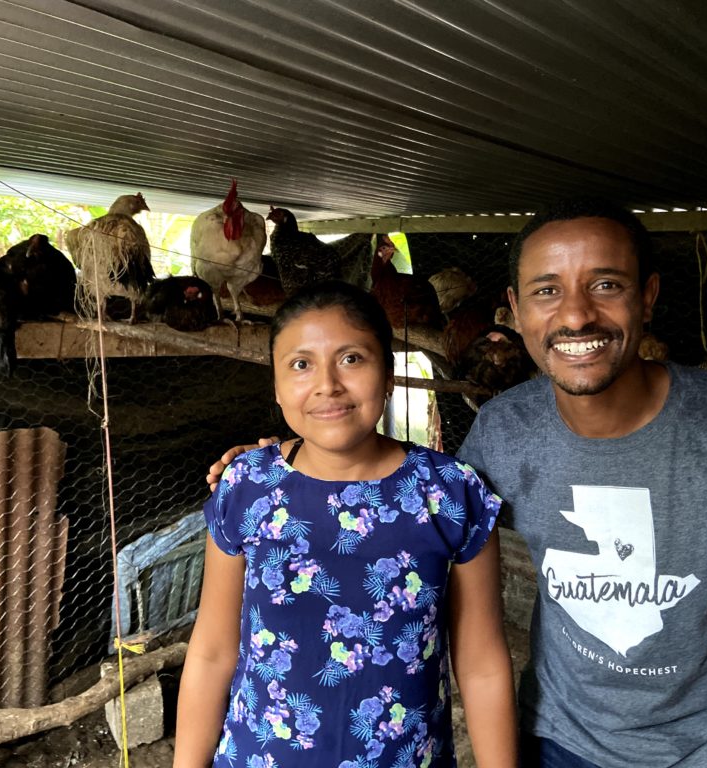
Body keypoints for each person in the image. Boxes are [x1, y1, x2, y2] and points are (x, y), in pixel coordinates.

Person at [206, 199, 707, 768]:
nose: (575, 315)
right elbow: (398, 489)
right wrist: (282, 460)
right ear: (513, 310)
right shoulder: (506, 431)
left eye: (606, 285)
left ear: (648, 297)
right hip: (558, 740)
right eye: (546, 292)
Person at [176, 281, 518, 768]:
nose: (328, 384)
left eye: (352, 358)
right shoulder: (246, 487)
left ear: (389, 375)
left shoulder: (449, 493)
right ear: (275, 386)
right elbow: (211, 652)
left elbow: (482, 665)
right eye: (300, 364)